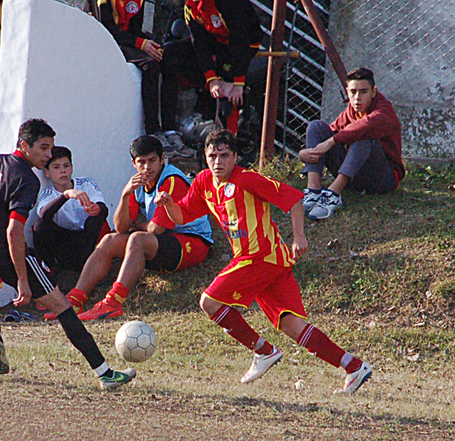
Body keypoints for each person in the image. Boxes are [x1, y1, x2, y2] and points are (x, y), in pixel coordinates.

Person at [155, 129, 373, 394]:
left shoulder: (248, 179)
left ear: (235, 157)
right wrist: (167, 203)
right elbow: (181, 217)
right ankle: (353, 366)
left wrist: (299, 236)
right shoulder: (203, 182)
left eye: (224, 155)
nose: (218, 161)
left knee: (208, 301)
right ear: (205, 157)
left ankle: (264, 351)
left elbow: (293, 199)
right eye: (213, 156)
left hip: (261, 257)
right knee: (293, 326)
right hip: (267, 262)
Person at [0, 118, 135, 389]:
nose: (48, 155)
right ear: (24, 146)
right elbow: (14, 232)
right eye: (44, 148)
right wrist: (23, 281)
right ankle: (105, 374)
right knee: (61, 305)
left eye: (52, 149)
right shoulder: (26, 178)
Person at [61, 135, 213, 322]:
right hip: (164, 242)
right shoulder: (137, 183)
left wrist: (139, 225)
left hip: (193, 241)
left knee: (137, 239)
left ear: (162, 160)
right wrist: (125, 195)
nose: (147, 167)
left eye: (152, 161)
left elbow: (156, 229)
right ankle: (75, 299)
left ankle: (113, 301)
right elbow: (121, 227)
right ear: (134, 163)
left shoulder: (172, 180)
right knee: (109, 240)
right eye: (142, 162)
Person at [299, 67, 405, 220]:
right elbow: (332, 132)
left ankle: (333, 195)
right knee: (316, 127)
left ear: (373, 92)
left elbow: (364, 126)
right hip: (356, 176)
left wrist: (330, 142)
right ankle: (313, 191)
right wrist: (303, 153)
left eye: (363, 92)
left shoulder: (384, 110)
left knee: (363, 136)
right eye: (353, 92)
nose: (357, 98)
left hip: (382, 179)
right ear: (347, 92)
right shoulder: (351, 110)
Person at [160, 0, 262, 135]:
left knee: (229, 94)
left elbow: (240, 42)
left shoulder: (226, 4)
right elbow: (199, 42)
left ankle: (229, 141)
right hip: (216, 39)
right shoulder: (190, 7)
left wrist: (237, 81)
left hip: (244, 43)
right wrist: (211, 79)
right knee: (169, 53)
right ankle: (170, 132)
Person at [33, 146, 110, 272]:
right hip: (64, 241)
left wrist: (97, 208)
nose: (63, 171)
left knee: (96, 217)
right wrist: (66, 195)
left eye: (66, 166)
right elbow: (44, 214)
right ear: (47, 172)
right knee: (40, 225)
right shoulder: (47, 194)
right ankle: (50, 267)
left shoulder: (86, 183)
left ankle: (89, 260)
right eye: (56, 167)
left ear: (72, 168)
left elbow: (103, 208)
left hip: (87, 237)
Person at [98, 0, 162, 135]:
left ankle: (171, 128)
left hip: (129, 41)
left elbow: (135, 29)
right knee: (151, 64)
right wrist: (141, 43)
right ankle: (153, 128)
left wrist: (150, 44)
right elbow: (107, 30)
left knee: (164, 56)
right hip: (110, 43)